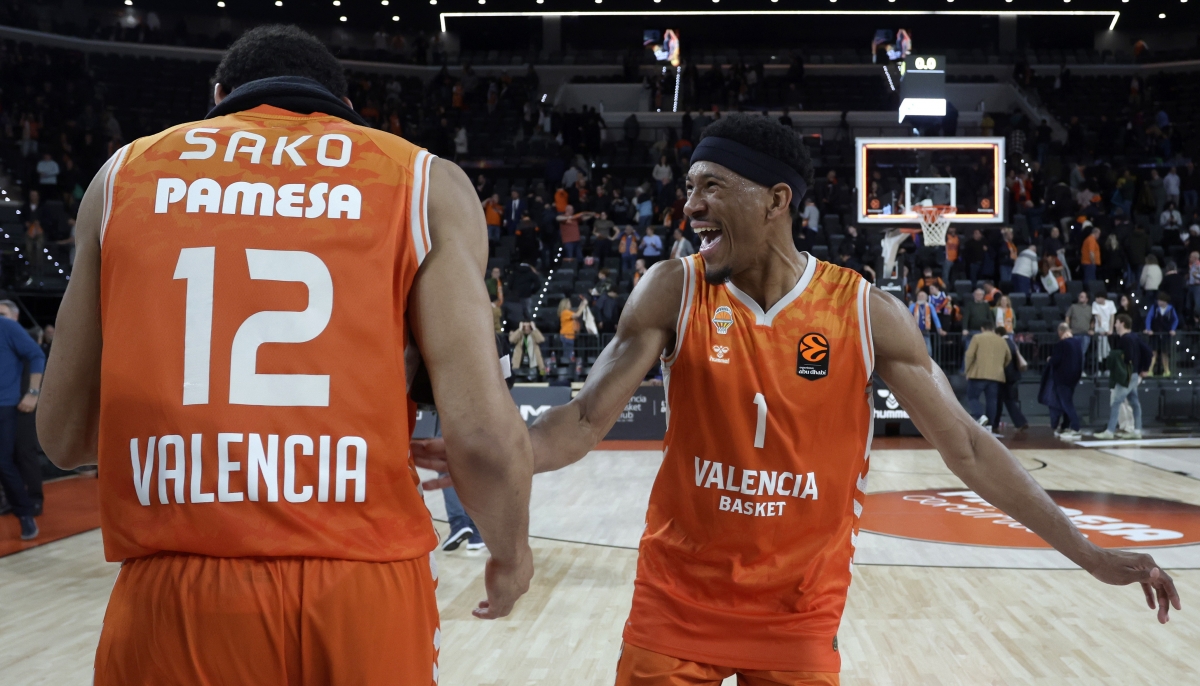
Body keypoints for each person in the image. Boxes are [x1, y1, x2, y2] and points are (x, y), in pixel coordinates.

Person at [417, 113, 1181, 684]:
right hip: (674, 603)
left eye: (711, 187)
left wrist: (1087, 553)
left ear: (775, 199)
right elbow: (582, 422)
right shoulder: (673, 288)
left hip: (799, 614)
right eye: (688, 189)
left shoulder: (863, 311)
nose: (691, 207)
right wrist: (497, 452)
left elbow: (971, 447)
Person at [38, 25, 534, 684]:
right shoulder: (422, 180)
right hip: (363, 584)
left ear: (218, 96)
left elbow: (65, 437)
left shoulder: (122, 174)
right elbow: (481, 436)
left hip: (174, 592)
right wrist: (509, 554)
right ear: (341, 106)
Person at [0, 299, 45, 541]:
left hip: (5, 405)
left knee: (5, 462)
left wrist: (33, 392)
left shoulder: (7, 326)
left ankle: (25, 514)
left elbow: (37, 354)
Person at [1096, 314, 1152, 439]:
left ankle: (1110, 431)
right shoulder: (1134, 337)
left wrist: (1139, 367)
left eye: (1116, 322)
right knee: (1134, 402)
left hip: (1127, 374)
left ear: (1122, 323)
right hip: (1134, 373)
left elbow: (1128, 357)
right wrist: (1144, 368)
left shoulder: (1126, 339)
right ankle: (1137, 430)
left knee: (1116, 402)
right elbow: (1147, 351)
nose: (1115, 325)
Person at [965, 320, 1011, 429]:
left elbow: (969, 355)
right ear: (993, 329)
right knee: (992, 401)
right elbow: (1008, 357)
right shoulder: (1001, 341)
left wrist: (967, 370)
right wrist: (1000, 367)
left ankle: (980, 416)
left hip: (978, 374)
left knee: (972, 397)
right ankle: (990, 425)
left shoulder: (977, 338)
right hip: (996, 376)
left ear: (982, 328)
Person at [1041, 323, 1084, 440]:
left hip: (1062, 378)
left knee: (1066, 403)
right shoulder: (1078, 343)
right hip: (1074, 378)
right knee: (1067, 402)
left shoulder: (1062, 344)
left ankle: (1075, 428)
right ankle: (1065, 426)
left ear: (1060, 332)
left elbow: (1055, 360)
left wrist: (1050, 359)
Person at [997, 327, 1029, 433]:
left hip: (1006, 376)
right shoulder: (1011, 342)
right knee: (1003, 400)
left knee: (1006, 400)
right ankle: (996, 422)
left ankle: (1020, 421)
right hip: (1014, 375)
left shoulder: (1002, 344)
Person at [1143, 292, 1179, 377]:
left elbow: (1176, 320)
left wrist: (1172, 329)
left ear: (1166, 302)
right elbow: (1149, 318)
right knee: (1153, 352)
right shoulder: (1154, 307)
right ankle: (1150, 370)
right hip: (1155, 333)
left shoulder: (1171, 309)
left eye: (1161, 301)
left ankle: (1166, 371)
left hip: (1166, 333)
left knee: (1165, 352)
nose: (1159, 302)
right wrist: (1149, 329)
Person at [908, 291, 945, 355]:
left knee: (928, 351)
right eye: (919, 296)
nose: (920, 297)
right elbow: (907, 316)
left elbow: (935, 317)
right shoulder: (913, 306)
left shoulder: (930, 306)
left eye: (922, 296)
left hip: (925, 331)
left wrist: (939, 328)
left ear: (926, 298)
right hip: (915, 331)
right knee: (915, 350)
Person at [1064, 291, 1094, 361]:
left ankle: (1080, 370)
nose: (1080, 297)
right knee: (1074, 353)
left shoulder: (1090, 308)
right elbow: (1067, 317)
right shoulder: (1073, 306)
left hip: (1086, 334)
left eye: (1082, 296)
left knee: (1082, 353)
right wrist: (1068, 328)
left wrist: (1091, 329)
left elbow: (1093, 320)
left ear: (1087, 299)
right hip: (1074, 334)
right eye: (1080, 296)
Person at [1091, 292, 1117, 368]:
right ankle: (1100, 366)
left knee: (1106, 347)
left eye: (1098, 298)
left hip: (1108, 328)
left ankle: (1106, 367)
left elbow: (1112, 317)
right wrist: (1101, 328)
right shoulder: (1095, 304)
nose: (1096, 299)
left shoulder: (1110, 303)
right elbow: (1098, 317)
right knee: (1100, 347)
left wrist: (1110, 329)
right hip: (1099, 328)